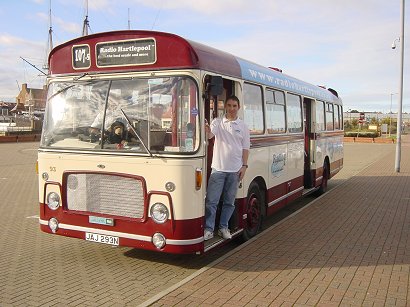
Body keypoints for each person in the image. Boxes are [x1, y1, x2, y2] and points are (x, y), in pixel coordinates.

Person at [204, 95, 250, 241]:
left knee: (229, 202)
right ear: (225, 107)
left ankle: (223, 228)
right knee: (212, 201)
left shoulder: (243, 126)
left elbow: (245, 148)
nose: (231, 108)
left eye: (234, 106)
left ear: (239, 107)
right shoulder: (217, 122)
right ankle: (209, 229)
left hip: (235, 170)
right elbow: (210, 135)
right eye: (229, 105)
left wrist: (244, 166)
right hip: (218, 168)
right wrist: (206, 129)